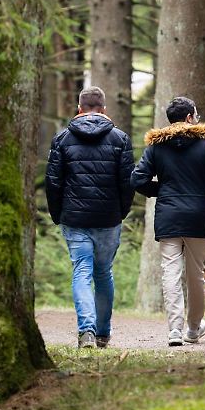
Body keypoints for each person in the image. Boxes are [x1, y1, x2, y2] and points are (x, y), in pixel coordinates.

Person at [131, 96, 205, 347]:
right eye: (195, 114)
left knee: (170, 272)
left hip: (168, 214)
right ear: (189, 118)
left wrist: (161, 190)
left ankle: (174, 330)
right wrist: (201, 188)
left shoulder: (156, 147)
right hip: (197, 213)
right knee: (196, 273)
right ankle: (194, 328)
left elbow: (137, 179)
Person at [45, 87, 135, 348]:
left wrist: (57, 214)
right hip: (108, 218)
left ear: (79, 109)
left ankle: (87, 331)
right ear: (104, 110)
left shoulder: (62, 139)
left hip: (74, 219)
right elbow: (128, 182)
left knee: (81, 272)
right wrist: (121, 212)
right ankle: (104, 333)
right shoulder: (120, 139)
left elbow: (53, 183)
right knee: (103, 273)